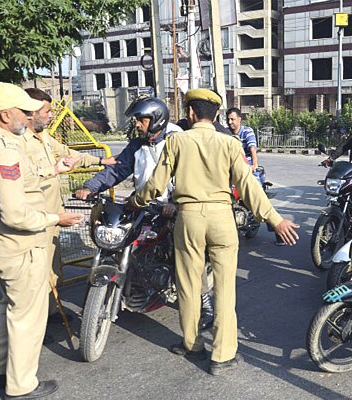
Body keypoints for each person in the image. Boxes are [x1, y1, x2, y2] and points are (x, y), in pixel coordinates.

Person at [128, 88, 300, 376]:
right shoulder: (231, 144)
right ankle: (222, 355)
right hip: (222, 219)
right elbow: (248, 186)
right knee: (224, 289)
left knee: (189, 284)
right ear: (217, 115)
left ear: (191, 114)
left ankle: (193, 344)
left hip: (189, 218)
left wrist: (135, 201)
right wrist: (275, 219)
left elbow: (156, 186)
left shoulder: (177, 141)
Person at [74, 97, 215, 329]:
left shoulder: (179, 140)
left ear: (157, 120)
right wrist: (90, 187)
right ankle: (119, 286)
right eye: (137, 120)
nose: (137, 124)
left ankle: (204, 302)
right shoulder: (138, 144)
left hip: (173, 206)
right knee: (118, 236)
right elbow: (118, 169)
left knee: (187, 255)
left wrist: (176, 202)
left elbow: (193, 176)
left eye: (142, 120)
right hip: (142, 204)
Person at [0, 82, 83, 399]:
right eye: (24, 112)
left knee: (10, 306)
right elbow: (15, 213)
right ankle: (21, 385)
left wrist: (52, 169)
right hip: (20, 245)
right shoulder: (4, 152)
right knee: (28, 317)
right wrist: (55, 218)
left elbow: (18, 188)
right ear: (5, 115)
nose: (29, 117)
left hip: (0, 244)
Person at [23, 88, 117, 323]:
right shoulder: (18, 143)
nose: (50, 116)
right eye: (46, 111)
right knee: (34, 274)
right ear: (31, 112)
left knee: (53, 267)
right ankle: (34, 323)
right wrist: (52, 170)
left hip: (53, 216)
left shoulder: (43, 137)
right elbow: (23, 178)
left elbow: (67, 155)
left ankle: (52, 312)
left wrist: (101, 160)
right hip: (33, 218)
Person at [225, 107, 285, 245]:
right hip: (231, 170)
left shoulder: (247, 131)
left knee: (259, 199)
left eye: (233, 119)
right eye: (228, 119)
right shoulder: (225, 133)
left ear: (239, 119)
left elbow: (252, 148)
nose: (230, 122)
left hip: (248, 169)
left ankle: (278, 230)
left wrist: (254, 165)